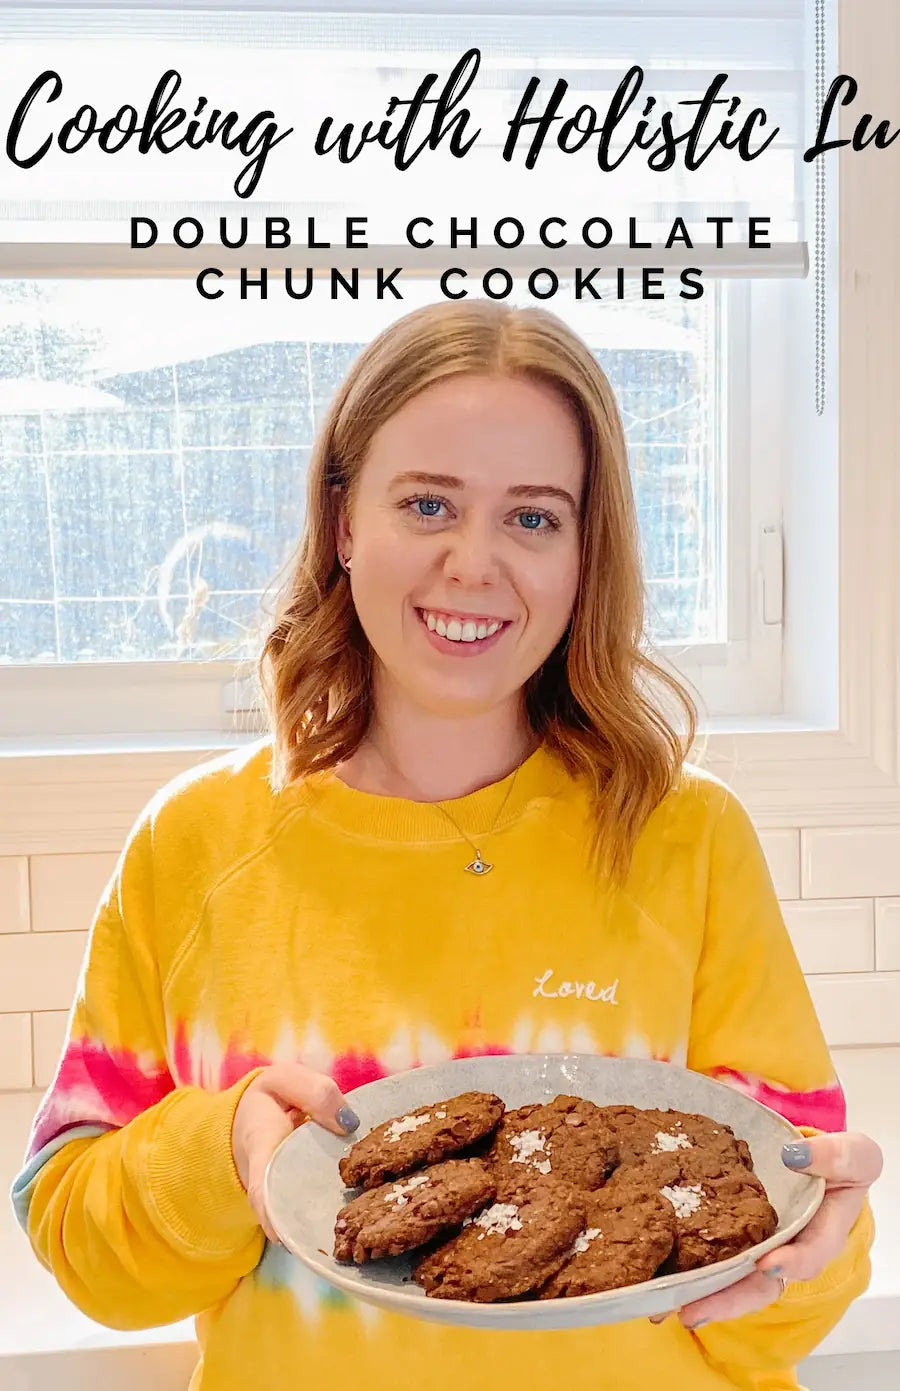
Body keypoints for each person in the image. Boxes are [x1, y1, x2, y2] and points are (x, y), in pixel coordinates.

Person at [11, 301, 880, 1391]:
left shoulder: (681, 834)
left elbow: (782, 1242)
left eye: (533, 518)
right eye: (427, 502)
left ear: (583, 550)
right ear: (342, 520)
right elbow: (81, 1249)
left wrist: (825, 1243)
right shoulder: (195, 843)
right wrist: (222, 1148)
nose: (475, 562)